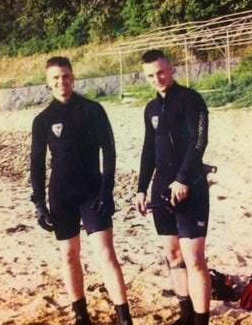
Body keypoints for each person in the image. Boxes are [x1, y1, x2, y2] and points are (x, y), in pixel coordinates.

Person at [30, 56, 132, 325]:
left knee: (106, 253)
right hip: (61, 196)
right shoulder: (42, 120)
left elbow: (109, 151)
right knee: (69, 255)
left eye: (65, 76)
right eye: (55, 78)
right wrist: (39, 203)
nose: (61, 82)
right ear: (47, 82)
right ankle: (81, 316)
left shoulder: (93, 109)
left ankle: (124, 318)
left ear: (72, 77)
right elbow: (37, 165)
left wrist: (107, 191)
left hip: (93, 193)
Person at [134, 50, 212, 325]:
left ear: (171, 69)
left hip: (191, 186)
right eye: (150, 75)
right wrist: (141, 189)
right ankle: (186, 315)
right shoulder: (151, 109)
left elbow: (199, 141)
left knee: (194, 257)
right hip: (161, 188)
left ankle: (202, 320)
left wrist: (182, 178)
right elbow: (148, 150)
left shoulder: (191, 99)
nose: (157, 78)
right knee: (173, 253)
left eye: (161, 72)